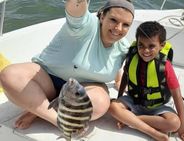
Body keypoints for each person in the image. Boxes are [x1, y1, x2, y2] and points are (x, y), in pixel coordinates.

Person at [0, 0, 134, 129]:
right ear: (102, 16)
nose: (118, 28)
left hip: (81, 89)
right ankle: (56, 120)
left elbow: (116, 67)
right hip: (48, 80)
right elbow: (76, 8)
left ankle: (38, 111)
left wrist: (119, 81)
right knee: (9, 75)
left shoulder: (123, 49)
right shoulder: (85, 25)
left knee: (100, 103)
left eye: (126, 24)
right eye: (113, 20)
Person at [109, 21, 184, 141]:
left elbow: (177, 95)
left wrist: (183, 126)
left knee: (174, 123)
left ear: (162, 45)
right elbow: (125, 79)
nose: (145, 51)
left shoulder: (165, 66)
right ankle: (153, 132)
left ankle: (131, 120)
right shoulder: (132, 57)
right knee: (112, 107)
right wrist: (119, 97)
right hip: (134, 101)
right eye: (140, 45)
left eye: (151, 46)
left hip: (157, 106)